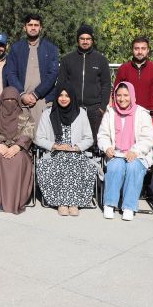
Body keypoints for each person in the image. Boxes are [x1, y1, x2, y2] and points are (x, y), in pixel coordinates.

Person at [34, 84, 96, 216]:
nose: (63, 98)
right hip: (54, 152)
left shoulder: (81, 113)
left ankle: (74, 202)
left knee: (74, 161)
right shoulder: (48, 114)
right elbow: (38, 138)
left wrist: (77, 147)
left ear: (72, 97)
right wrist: (55, 146)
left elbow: (89, 138)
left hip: (76, 151)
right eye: (61, 95)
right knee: (60, 161)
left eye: (67, 95)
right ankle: (61, 202)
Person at [98, 82, 153, 221]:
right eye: (118, 95)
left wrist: (135, 151)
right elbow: (103, 135)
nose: (122, 99)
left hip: (138, 154)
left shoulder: (142, 113)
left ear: (132, 96)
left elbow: (148, 137)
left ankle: (129, 206)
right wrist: (107, 147)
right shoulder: (110, 113)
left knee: (133, 167)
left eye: (125, 95)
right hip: (116, 153)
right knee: (116, 166)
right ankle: (110, 204)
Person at [0, 87, 36, 214]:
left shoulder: (25, 115)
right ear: (1, 100)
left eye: (13, 100)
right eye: (7, 99)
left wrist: (17, 147)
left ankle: (13, 202)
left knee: (18, 159)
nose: (10, 102)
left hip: (19, 149)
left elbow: (28, 133)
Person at [4, 14, 60, 124]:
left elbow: (53, 74)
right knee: (21, 137)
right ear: (25, 27)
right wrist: (22, 94)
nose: (33, 28)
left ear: (41, 27)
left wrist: (36, 94)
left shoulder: (51, 48)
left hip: (42, 100)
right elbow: (11, 73)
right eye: (30, 25)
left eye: (36, 25)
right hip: (20, 100)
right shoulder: (16, 48)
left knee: (41, 137)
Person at [56, 24, 110, 138]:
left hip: (94, 109)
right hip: (73, 108)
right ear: (78, 40)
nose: (85, 41)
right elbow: (61, 84)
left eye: (88, 39)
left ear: (92, 40)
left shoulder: (101, 60)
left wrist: (102, 107)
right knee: (74, 140)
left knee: (94, 142)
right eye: (82, 38)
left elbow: (106, 84)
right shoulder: (67, 60)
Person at [114, 36, 153, 115]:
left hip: (149, 113)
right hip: (127, 113)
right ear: (132, 50)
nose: (140, 52)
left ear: (148, 50)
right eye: (136, 48)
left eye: (143, 48)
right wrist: (119, 110)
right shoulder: (123, 68)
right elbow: (115, 92)